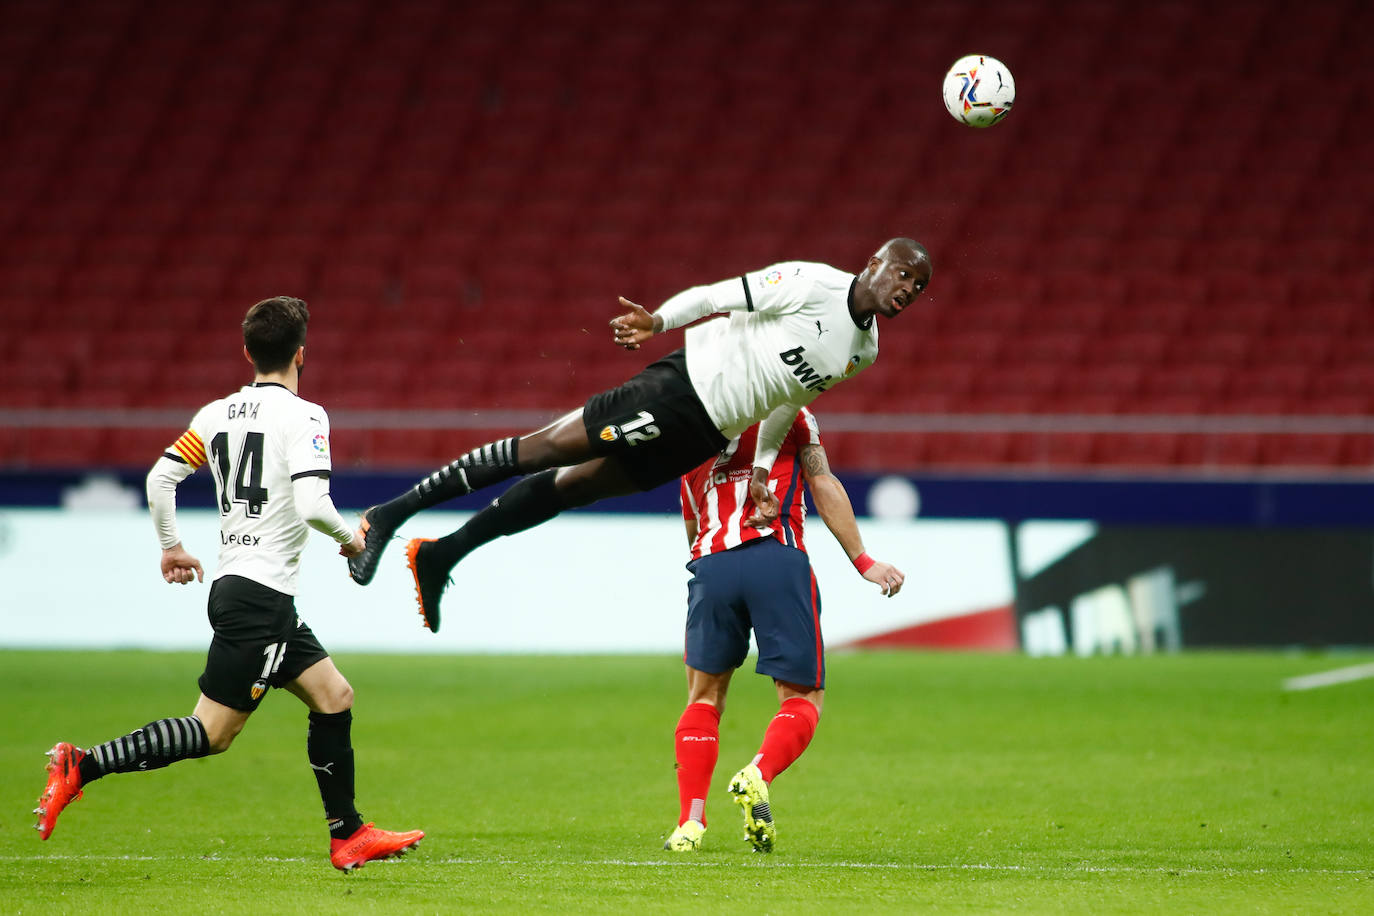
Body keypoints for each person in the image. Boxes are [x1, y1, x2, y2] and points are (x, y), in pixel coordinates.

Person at [347, 237, 932, 633]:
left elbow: (788, 399)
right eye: (904, 274)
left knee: (573, 489)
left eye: (919, 287)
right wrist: (657, 321)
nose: (908, 289)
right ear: (876, 263)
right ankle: (388, 514)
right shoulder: (812, 284)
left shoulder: (866, 350)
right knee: (544, 449)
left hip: (704, 434)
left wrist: (761, 468)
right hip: (680, 391)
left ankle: (442, 553)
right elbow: (715, 296)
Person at [33, 297, 424, 872]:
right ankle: (81, 764)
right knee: (212, 732)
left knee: (335, 696)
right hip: (259, 600)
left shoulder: (216, 414)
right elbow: (315, 506)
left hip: (247, 590)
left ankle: (349, 833)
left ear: (247, 352)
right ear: (301, 353)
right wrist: (350, 540)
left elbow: (160, 476)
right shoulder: (307, 416)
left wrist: (170, 545)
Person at [663, 407, 904, 853]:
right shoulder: (792, 410)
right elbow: (823, 482)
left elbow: (692, 521)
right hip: (775, 555)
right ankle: (758, 772)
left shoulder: (694, 423)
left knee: (703, 698)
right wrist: (863, 560)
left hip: (711, 564)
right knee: (802, 697)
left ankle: (689, 824)